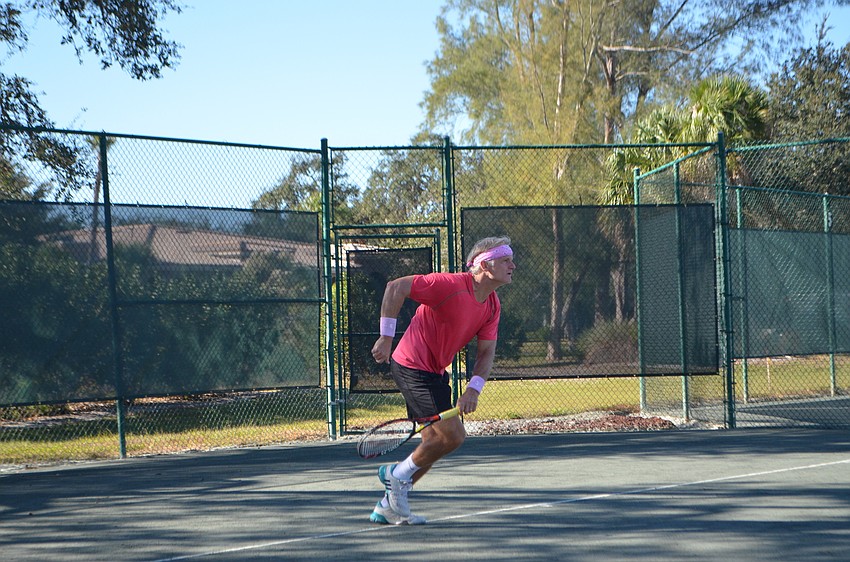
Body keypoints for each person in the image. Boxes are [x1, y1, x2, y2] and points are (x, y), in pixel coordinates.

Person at [368, 236, 515, 525]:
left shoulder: (492, 305)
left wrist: (474, 389)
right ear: (485, 265)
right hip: (411, 365)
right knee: (454, 436)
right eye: (506, 260)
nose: (513, 265)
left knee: (434, 443)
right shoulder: (449, 285)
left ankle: (387, 505)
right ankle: (394, 476)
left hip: (434, 372)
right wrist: (386, 337)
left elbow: (486, 352)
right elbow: (396, 287)